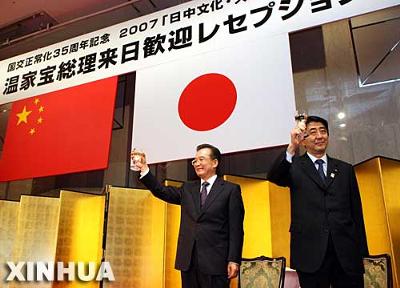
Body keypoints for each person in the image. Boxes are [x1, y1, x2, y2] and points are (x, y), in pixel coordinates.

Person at [268, 115, 368, 288]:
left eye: (323, 131)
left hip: (346, 253)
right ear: (303, 140)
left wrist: (362, 254)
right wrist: (292, 147)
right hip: (310, 253)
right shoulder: (294, 166)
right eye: (312, 132)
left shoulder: (345, 169)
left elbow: (356, 213)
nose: (319, 136)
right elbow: (274, 176)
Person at [131, 143, 244, 288]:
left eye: (201, 159)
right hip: (188, 261)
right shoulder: (188, 188)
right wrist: (144, 169)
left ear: (215, 162)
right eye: (195, 161)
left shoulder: (230, 190)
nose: (197, 164)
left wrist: (234, 259)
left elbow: (236, 229)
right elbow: (161, 191)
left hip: (216, 263)